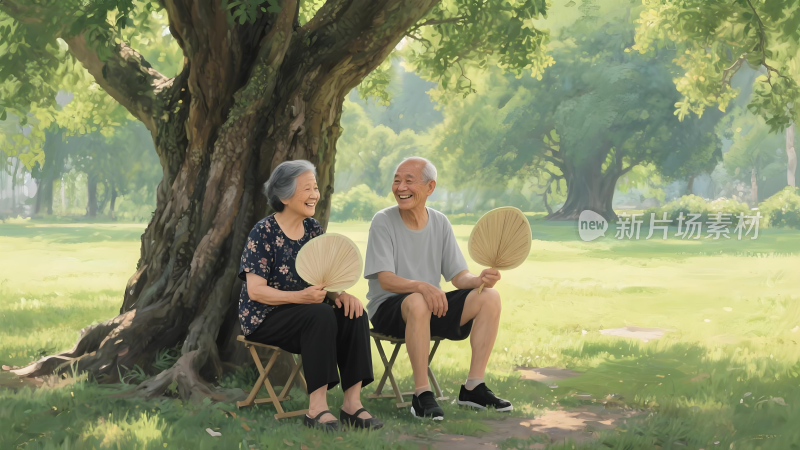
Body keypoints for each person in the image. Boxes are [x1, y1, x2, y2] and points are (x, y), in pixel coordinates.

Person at [238, 160, 382, 431]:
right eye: (307, 188)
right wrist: (302, 298)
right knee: (321, 313)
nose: (315, 194)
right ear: (284, 196)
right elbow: (256, 291)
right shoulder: (264, 232)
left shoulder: (314, 229)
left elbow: (323, 279)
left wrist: (341, 295)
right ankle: (316, 409)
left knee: (354, 313)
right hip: (265, 317)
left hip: (308, 311)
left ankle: (352, 405)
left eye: (315, 188)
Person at [364, 156, 511, 421]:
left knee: (489, 297)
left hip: (431, 306)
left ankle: (473, 387)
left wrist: (479, 280)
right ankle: (421, 394)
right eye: (396, 181)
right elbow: (385, 279)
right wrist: (421, 286)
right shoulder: (382, 221)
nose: (400, 187)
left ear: (430, 187)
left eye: (409, 181)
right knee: (419, 300)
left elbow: (458, 276)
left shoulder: (440, 222)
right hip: (390, 308)